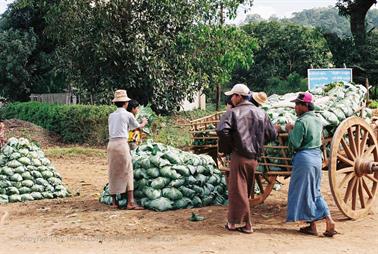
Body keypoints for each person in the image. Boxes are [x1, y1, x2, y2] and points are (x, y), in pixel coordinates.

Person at [217, 83, 278, 234]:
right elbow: (272, 134)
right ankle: (232, 222)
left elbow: (221, 130)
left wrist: (228, 147)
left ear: (238, 96)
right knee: (242, 190)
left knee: (237, 190)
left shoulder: (232, 113)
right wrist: (257, 142)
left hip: (240, 155)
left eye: (233, 95)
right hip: (254, 158)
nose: (231, 98)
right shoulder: (261, 113)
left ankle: (247, 224)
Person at [285, 91, 337, 237]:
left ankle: (321, 222)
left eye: (297, 105)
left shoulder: (301, 122)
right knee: (315, 191)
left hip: (304, 160)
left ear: (305, 106)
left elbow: (295, 143)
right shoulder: (317, 120)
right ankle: (321, 223)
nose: (295, 107)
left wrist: (290, 130)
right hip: (316, 158)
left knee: (303, 192)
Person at [107, 90, 147, 210]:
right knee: (127, 171)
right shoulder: (128, 114)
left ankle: (114, 202)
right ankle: (130, 202)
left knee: (113, 171)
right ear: (125, 103)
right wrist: (144, 122)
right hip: (121, 145)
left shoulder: (111, 115)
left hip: (111, 144)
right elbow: (137, 126)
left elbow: (121, 127)